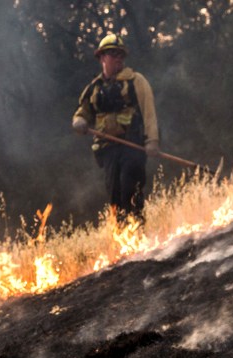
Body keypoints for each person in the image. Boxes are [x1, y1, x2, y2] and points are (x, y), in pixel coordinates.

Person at [72, 33, 160, 225]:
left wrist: (152, 140)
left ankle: (137, 231)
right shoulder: (94, 88)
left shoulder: (136, 81)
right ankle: (122, 236)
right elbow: (83, 113)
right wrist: (78, 121)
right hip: (108, 149)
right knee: (114, 194)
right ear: (102, 57)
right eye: (112, 54)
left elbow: (149, 112)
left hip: (132, 145)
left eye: (120, 54)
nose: (118, 58)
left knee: (130, 187)